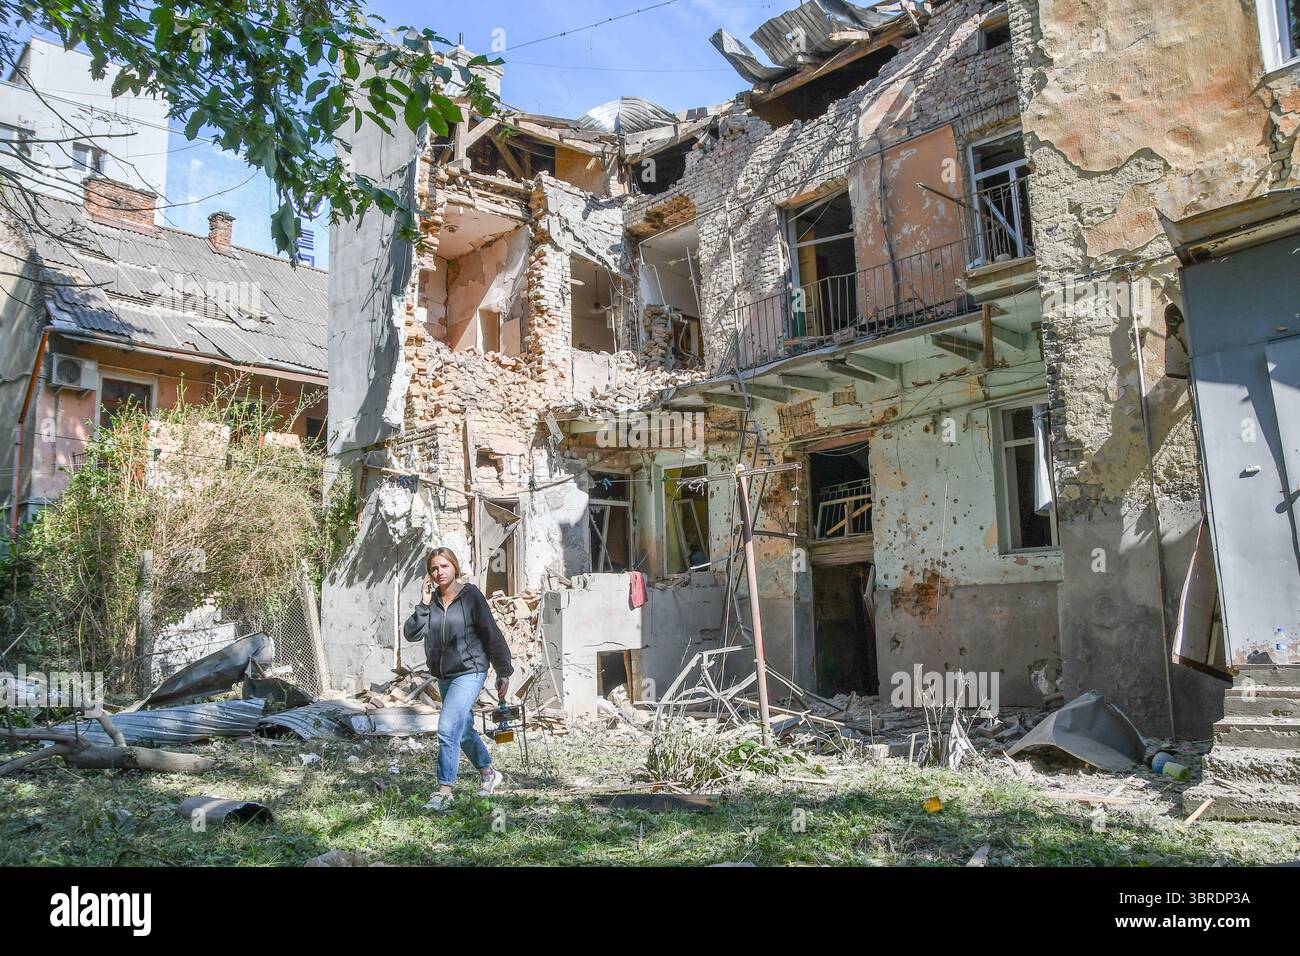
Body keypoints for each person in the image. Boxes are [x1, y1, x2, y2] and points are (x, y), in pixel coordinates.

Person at [403, 547, 513, 812]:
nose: (439, 572)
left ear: (455, 567)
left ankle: (444, 790)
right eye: (434, 568)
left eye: (444, 566)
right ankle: (489, 773)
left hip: (471, 671)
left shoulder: (471, 596)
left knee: (447, 727)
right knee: (461, 730)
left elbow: (491, 633)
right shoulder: (431, 604)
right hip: (445, 675)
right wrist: (424, 603)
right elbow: (411, 633)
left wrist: (503, 671)